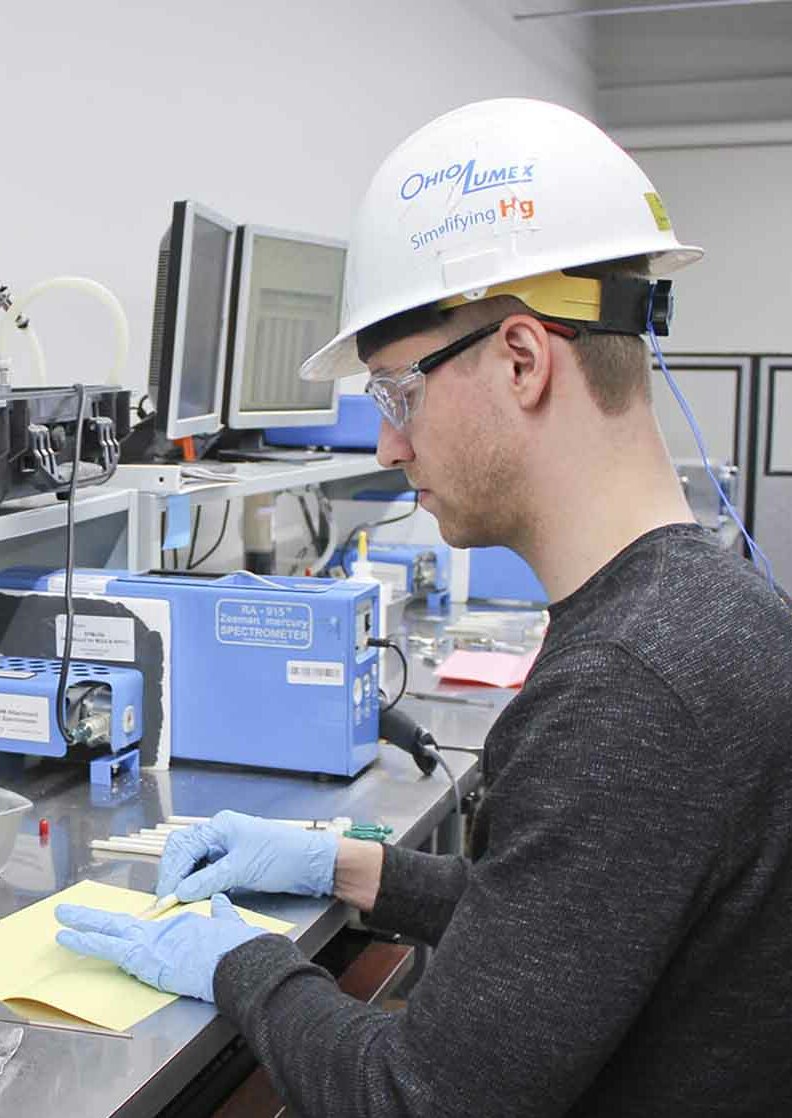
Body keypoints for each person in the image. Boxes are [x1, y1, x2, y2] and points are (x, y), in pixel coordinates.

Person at [56, 99, 792, 1116]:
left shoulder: (629, 688)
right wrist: (350, 865)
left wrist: (241, 961)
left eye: (397, 393)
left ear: (523, 359)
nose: (389, 445)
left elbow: (416, 1099)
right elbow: (565, 921)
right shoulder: (699, 608)